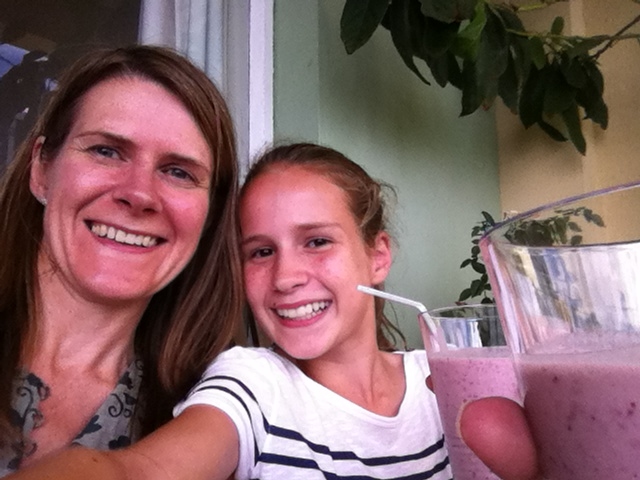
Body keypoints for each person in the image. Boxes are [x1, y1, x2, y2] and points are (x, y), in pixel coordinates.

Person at [6, 143, 539, 480]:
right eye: (260, 251)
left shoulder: (451, 379)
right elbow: (141, 471)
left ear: (377, 255)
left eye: (316, 242)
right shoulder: (254, 385)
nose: (285, 277)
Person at [0, 45, 243, 476]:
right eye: (106, 151)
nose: (139, 194)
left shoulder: (210, 411)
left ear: (209, 216)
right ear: (41, 170)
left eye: (178, 172)